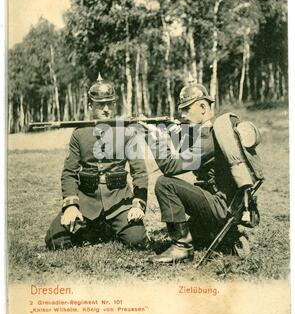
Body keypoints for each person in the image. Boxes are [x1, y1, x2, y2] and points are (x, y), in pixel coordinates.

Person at [142, 82, 245, 264]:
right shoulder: (212, 133)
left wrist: (153, 138)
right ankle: (227, 237)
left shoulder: (207, 140)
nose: (182, 115)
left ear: (203, 107)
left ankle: (181, 248)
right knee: (196, 233)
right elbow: (188, 146)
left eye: (186, 109)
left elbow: (170, 166)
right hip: (226, 205)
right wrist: (172, 131)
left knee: (164, 183)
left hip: (219, 206)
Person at [45, 74, 148, 250]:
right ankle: (99, 227)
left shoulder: (127, 132)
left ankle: (105, 227)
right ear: (90, 105)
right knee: (56, 241)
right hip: (87, 202)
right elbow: (69, 173)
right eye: (100, 104)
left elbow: (140, 172)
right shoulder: (79, 134)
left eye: (110, 103)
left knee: (136, 241)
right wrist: (71, 206)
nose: (106, 109)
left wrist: (138, 204)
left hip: (119, 202)